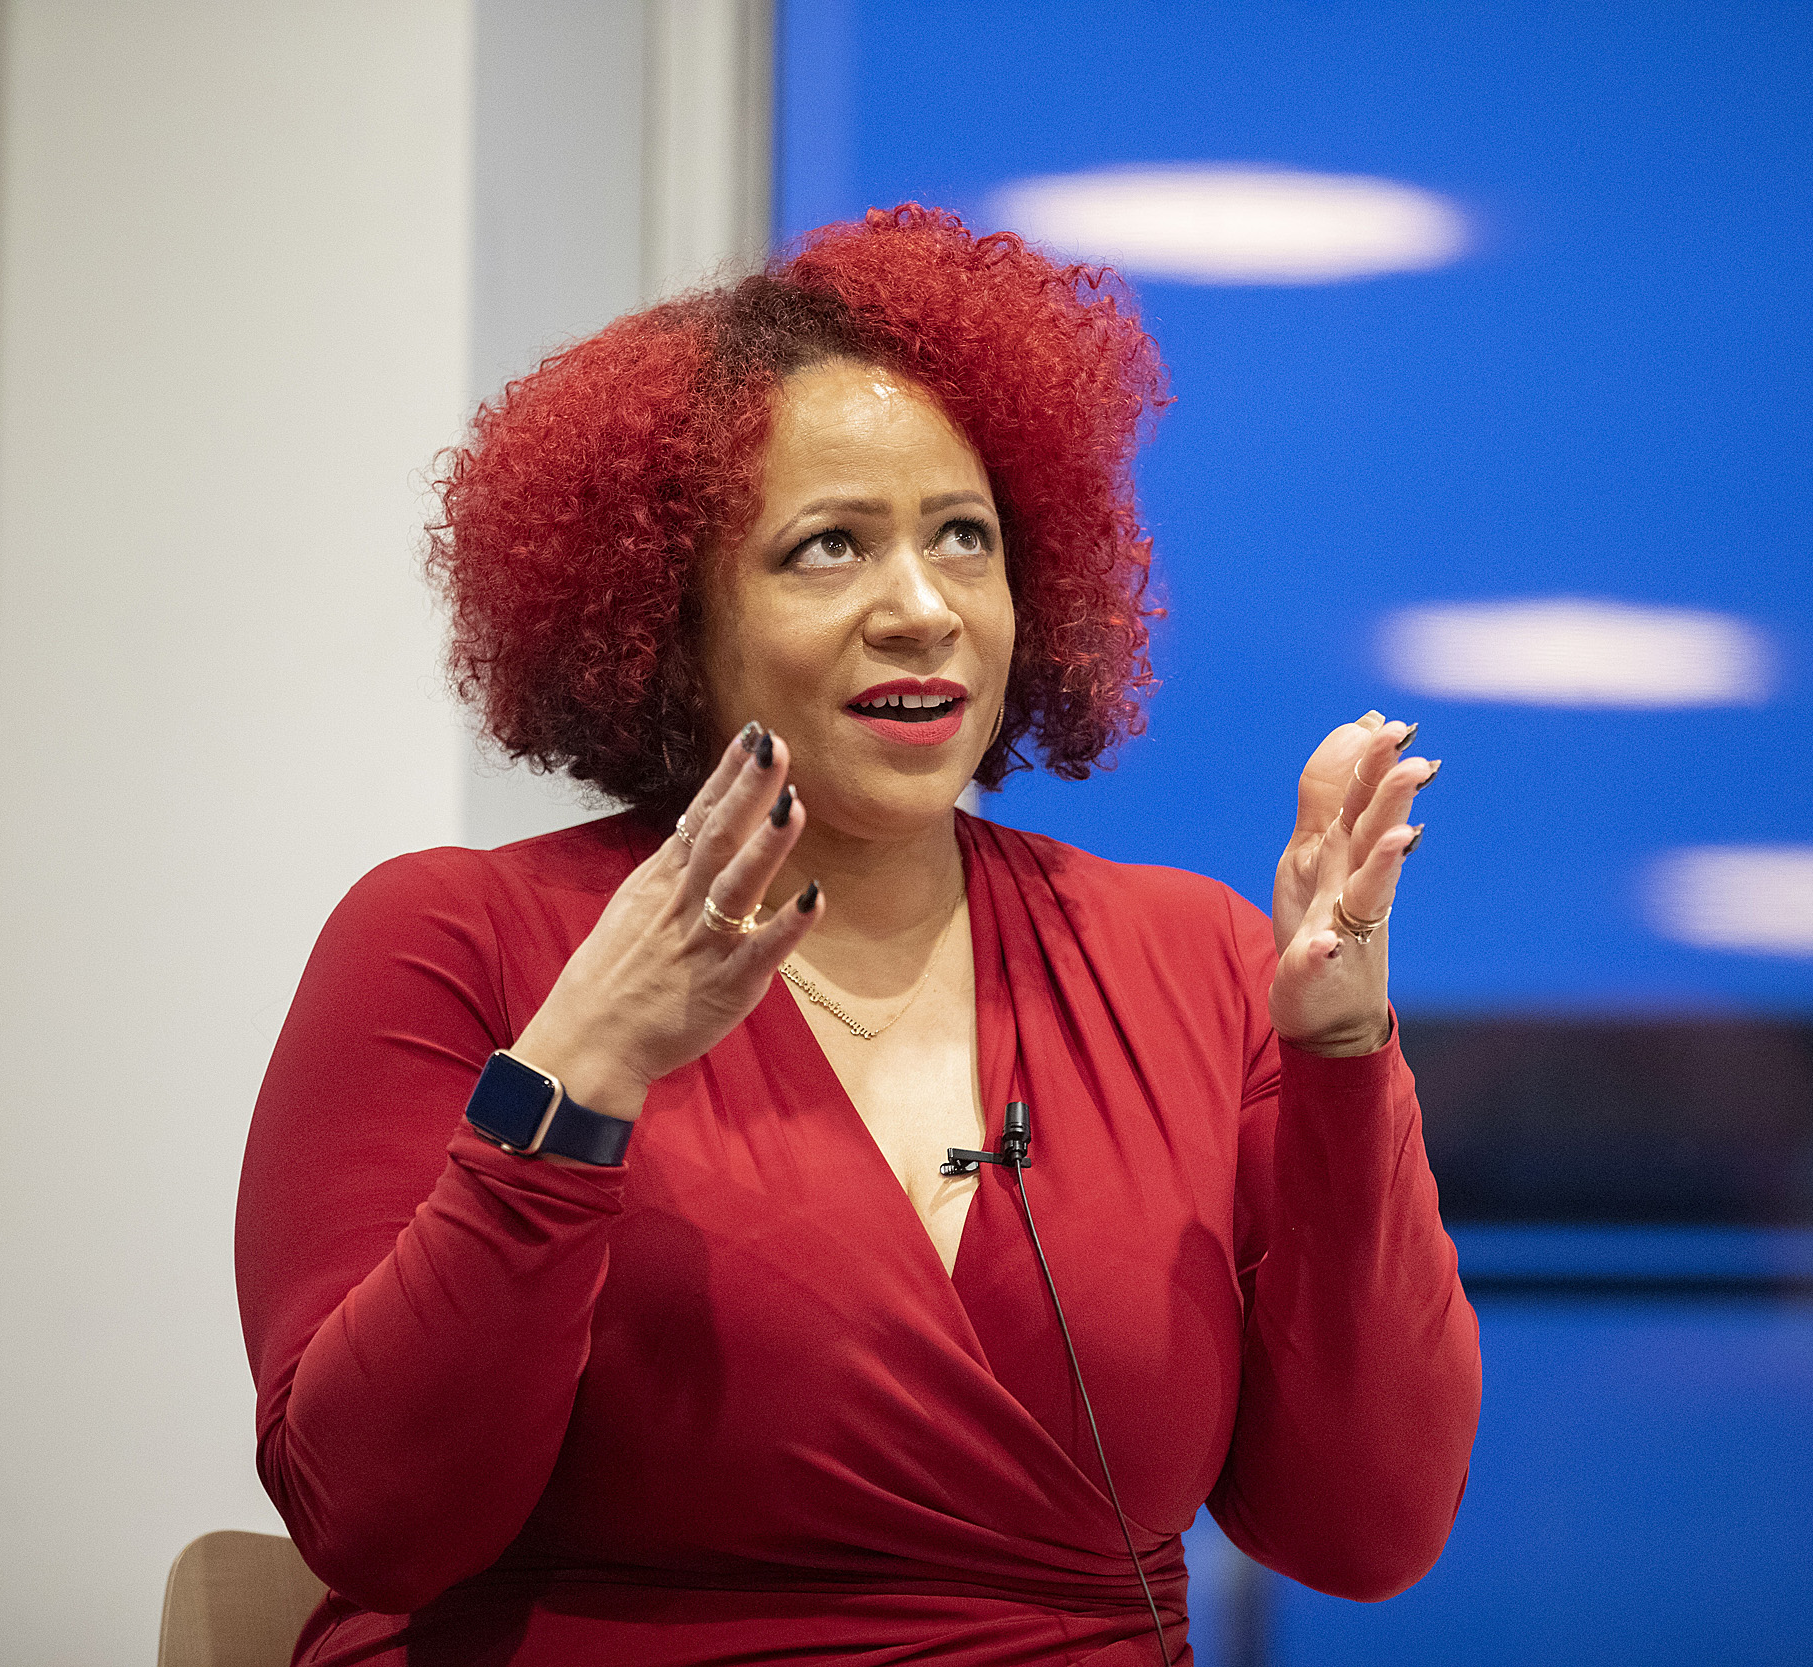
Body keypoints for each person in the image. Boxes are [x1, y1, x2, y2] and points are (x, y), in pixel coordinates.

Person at [235, 204, 1482, 1667]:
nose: (923, 608)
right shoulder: (457, 941)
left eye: (966, 538)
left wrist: (1341, 1062)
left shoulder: (1189, 959)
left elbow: (1365, 1529)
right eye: (828, 548)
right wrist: (580, 1074)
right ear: (664, 620)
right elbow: (376, 1518)